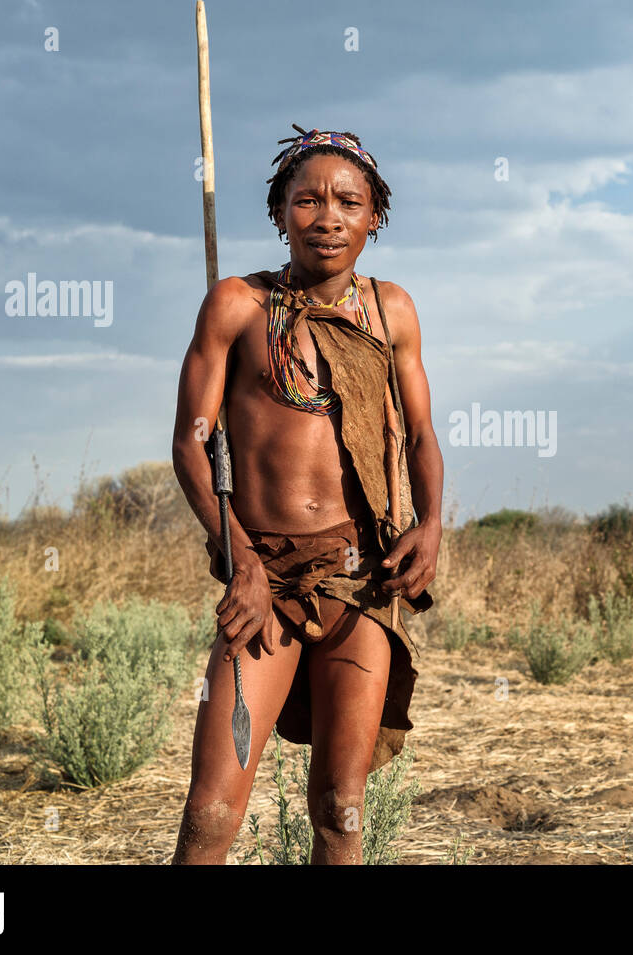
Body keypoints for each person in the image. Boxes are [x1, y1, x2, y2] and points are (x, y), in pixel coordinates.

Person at [170, 126, 443, 864]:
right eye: (308, 200)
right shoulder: (236, 305)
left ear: (374, 217)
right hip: (265, 582)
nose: (328, 216)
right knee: (210, 809)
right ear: (279, 212)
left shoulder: (391, 314)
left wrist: (432, 522)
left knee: (340, 807)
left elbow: (419, 435)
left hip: (359, 579)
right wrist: (244, 561)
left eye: (348, 201)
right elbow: (192, 442)